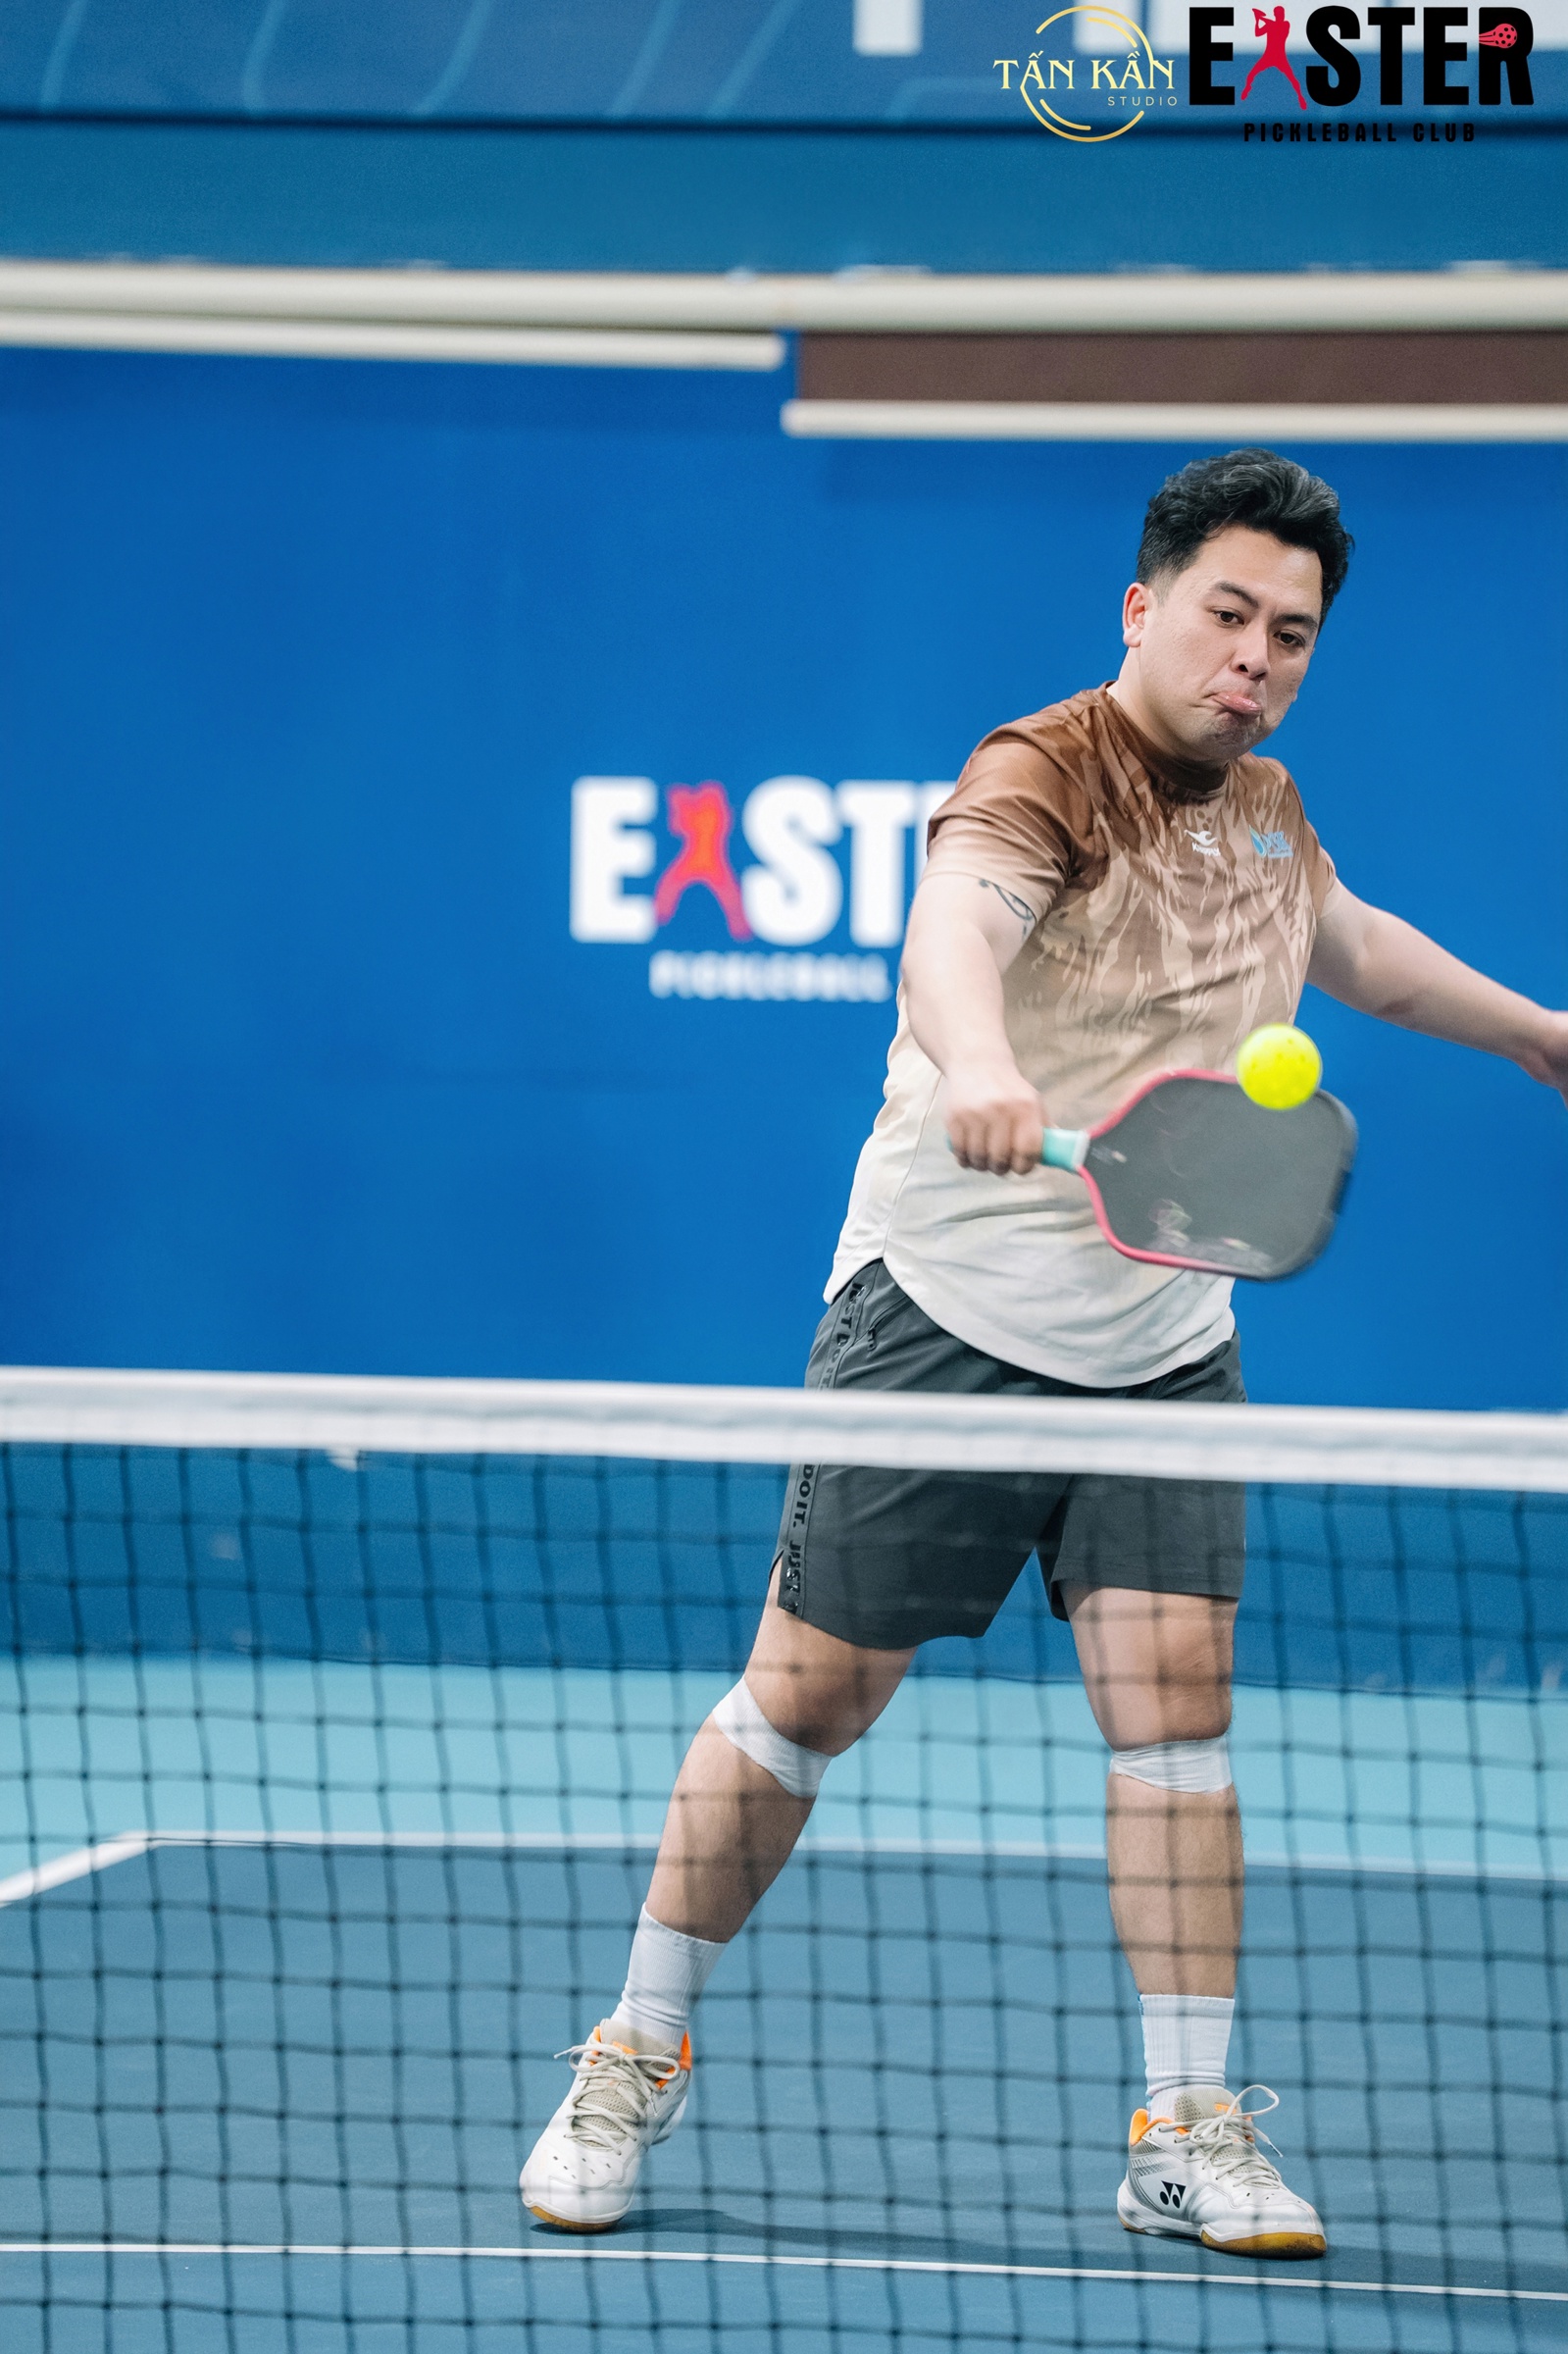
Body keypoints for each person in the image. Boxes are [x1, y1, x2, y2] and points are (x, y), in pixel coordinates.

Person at [521, 448, 1568, 2257]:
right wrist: (983, 1058)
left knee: (1177, 1715)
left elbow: (1351, 944)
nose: (1254, 658)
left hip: (1162, 1347)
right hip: (949, 1319)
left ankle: (1183, 2125)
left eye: (1292, 635)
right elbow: (953, 932)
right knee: (806, 1701)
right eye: (1228, 615)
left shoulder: (1268, 808)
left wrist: (1537, 1032)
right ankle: (635, 2047)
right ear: (1145, 605)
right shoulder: (1040, 771)